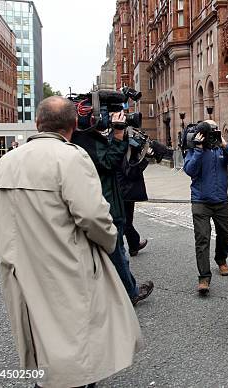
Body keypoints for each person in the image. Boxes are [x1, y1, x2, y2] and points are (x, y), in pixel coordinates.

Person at [0, 96, 141, 387]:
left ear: (37, 124)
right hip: (65, 265)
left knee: (38, 335)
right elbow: (94, 217)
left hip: (20, 268)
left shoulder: (5, 163)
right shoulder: (71, 156)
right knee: (77, 342)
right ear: (72, 125)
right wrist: (109, 243)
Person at [71, 110, 154, 306]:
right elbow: (110, 162)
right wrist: (117, 135)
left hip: (104, 202)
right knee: (116, 252)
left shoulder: (80, 140)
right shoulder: (86, 140)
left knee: (116, 251)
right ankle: (130, 291)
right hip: (105, 205)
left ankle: (121, 289)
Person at [183, 119, 228, 295]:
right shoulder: (194, 148)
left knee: (225, 234)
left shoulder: (220, 148)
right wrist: (199, 149)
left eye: (216, 129)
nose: (213, 132)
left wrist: (224, 144)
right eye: (210, 129)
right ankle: (204, 278)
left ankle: (221, 259)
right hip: (200, 201)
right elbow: (190, 170)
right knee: (202, 239)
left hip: (221, 200)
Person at [117, 140, 149, 257]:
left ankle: (133, 246)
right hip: (126, 192)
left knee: (126, 221)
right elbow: (131, 172)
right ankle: (133, 244)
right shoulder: (128, 151)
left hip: (123, 191)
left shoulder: (120, 146)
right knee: (126, 221)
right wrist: (144, 159)